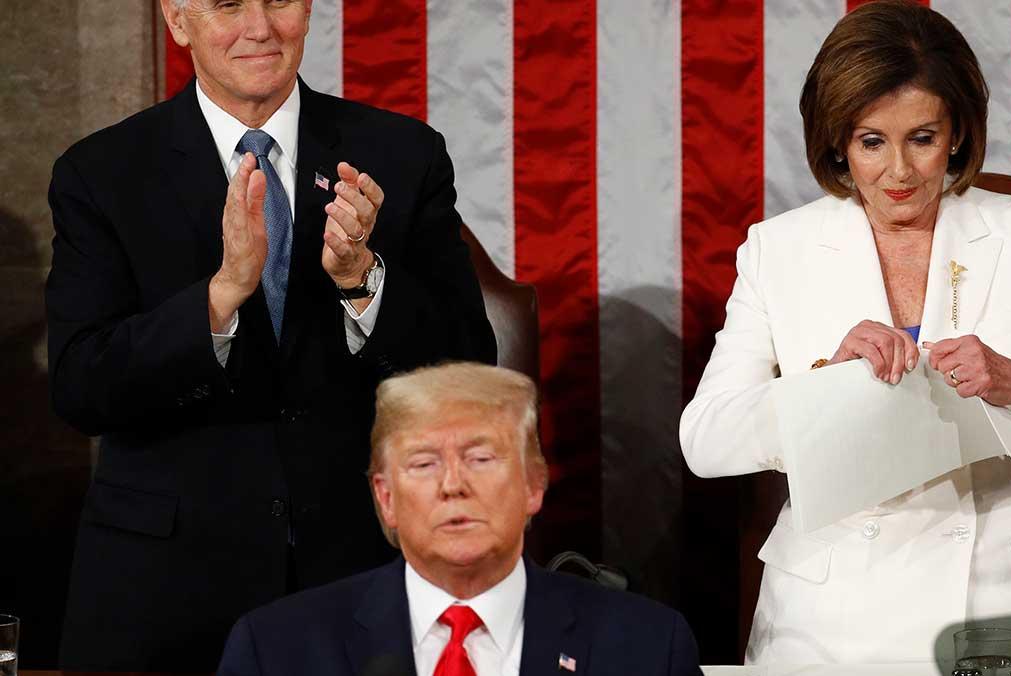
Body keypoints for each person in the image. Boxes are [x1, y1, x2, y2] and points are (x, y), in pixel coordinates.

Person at [679, 0, 1011, 667]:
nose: (899, 172)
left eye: (923, 138)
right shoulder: (777, 249)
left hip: (1007, 599)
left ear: (958, 133)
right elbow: (705, 439)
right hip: (831, 613)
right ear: (838, 141)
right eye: (872, 141)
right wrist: (823, 391)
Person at [45, 0, 495, 669]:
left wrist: (363, 280)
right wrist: (221, 295)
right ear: (177, 20)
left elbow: (467, 365)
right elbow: (82, 385)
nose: (260, 26)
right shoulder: (101, 173)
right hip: (165, 588)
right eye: (228, 4)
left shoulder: (400, 155)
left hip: (357, 570)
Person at [215, 363, 702, 676]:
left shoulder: (648, 649)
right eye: (424, 464)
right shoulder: (277, 652)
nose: (453, 484)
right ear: (385, 498)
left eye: (481, 458)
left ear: (535, 484)